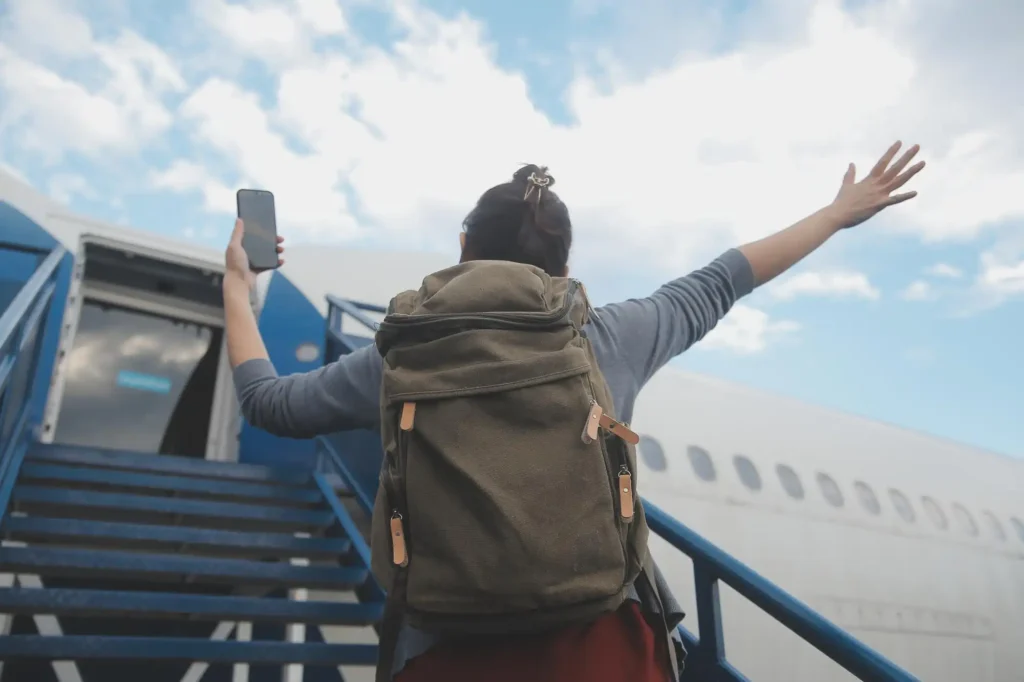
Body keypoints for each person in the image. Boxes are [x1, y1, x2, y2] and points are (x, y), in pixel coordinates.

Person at [223, 141, 925, 682]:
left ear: (464, 248)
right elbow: (726, 276)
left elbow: (267, 402)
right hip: (601, 652)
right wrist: (836, 214)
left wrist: (236, 284)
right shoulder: (611, 336)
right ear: (563, 268)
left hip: (445, 655)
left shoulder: (396, 357)